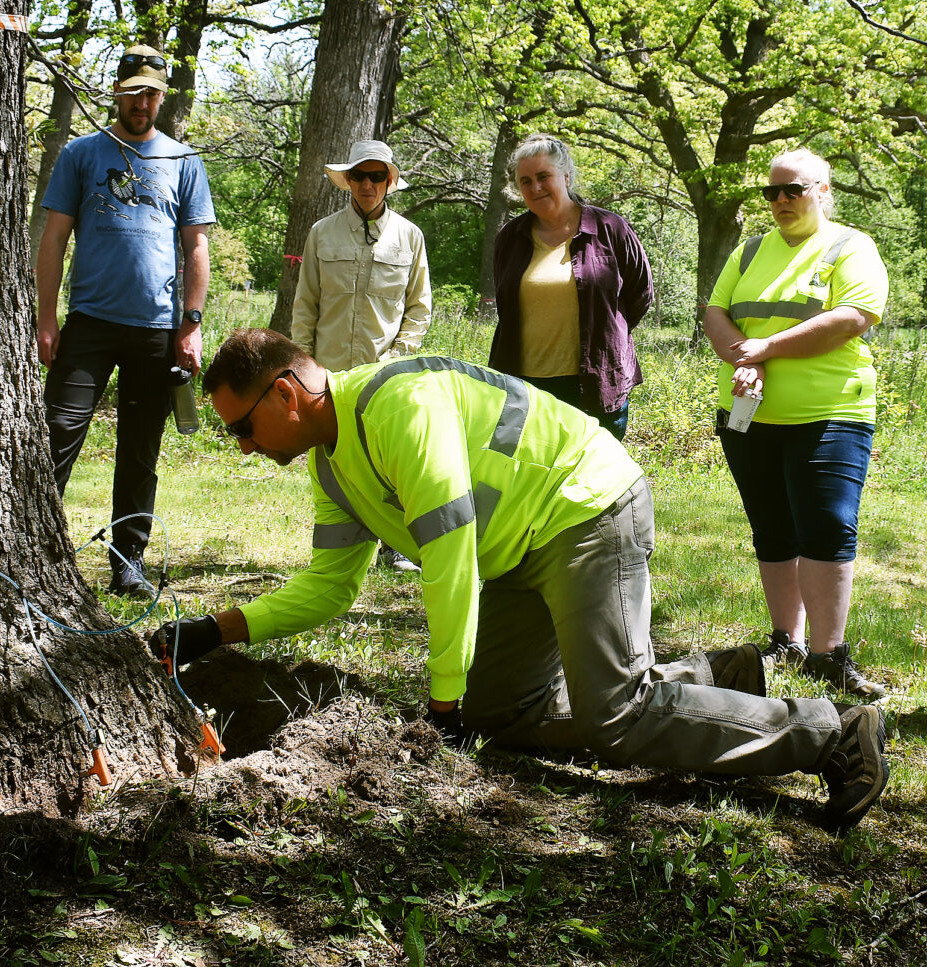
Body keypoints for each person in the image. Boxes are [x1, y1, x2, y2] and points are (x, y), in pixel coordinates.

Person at [152, 328, 889, 835]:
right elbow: (330, 587)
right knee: (499, 714)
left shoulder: (396, 404)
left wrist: (441, 701)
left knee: (615, 715)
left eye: (241, 428)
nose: (244, 448)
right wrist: (216, 629)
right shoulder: (332, 464)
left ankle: (833, 733)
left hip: (586, 510)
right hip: (517, 555)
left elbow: (450, 555)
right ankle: (714, 676)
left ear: (285, 393)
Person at [703, 148, 888, 698]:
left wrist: (765, 348)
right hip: (748, 414)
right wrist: (745, 360)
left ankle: (828, 654)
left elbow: (851, 318)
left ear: (824, 192)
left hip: (829, 412)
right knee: (772, 526)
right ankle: (787, 638)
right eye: (772, 192)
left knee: (827, 525)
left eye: (795, 190)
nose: (781, 201)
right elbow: (716, 312)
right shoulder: (749, 250)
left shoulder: (851, 247)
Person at [36, 45, 215, 596]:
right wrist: (46, 317)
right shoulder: (82, 155)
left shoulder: (183, 162)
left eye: (152, 93)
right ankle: (36, 549)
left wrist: (191, 322)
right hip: (88, 322)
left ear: (163, 97)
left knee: (140, 448)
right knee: (58, 431)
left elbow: (197, 246)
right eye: (133, 91)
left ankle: (126, 560)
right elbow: (54, 239)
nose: (142, 102)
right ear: (117, 92)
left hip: (156, 331)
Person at [292, 139, 432, 572]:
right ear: (348, 180)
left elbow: (419, 307)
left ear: (389, 181)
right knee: (332, 458)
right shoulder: (322, 232)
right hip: (329, 375)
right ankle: (339, 548)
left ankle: (396, 545)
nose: (367, 184)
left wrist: (398, 357)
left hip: (384, 373)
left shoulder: (410, 236)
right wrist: (304, 368)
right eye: (359, 175)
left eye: (377, 176)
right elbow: (306, 305)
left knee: (389, 458)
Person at [488, 134, 654, 440]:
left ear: (565, 176)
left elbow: (640, 295)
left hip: (596, 383)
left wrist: (605, 333)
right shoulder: (510, 238)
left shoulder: (611, 230)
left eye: (543, 176)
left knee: (596, 481)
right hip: (526, 388)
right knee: (531, 479)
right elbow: (506, 303)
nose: (535, 187)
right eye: (525, 181)